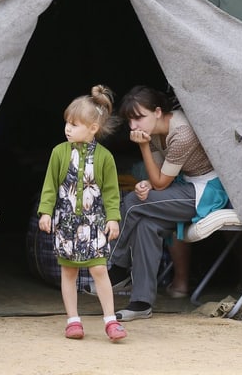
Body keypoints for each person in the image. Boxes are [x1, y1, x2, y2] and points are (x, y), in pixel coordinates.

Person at [95, 85, 229, 321]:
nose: (134, 126)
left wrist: (144, 148)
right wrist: (146, 182)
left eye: (139, 118)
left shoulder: (182, 134)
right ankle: (141, 303)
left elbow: (161, 184)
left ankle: (116, 267)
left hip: (207, 190)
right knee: (146, 223)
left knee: (133, 202)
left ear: (157, 112)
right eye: (130, 121)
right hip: (184, 185)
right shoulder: (156, 131)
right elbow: (157, 178)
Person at [37, 84, 127, 341]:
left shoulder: (105, 157)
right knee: (68, 271)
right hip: (65, 223)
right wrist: (45, 212)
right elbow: (50, 187)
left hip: (94, 223)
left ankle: (110, 320)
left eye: (74, 124)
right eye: (67, 122)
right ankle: (73, 320)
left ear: (93, 129)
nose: (68, 128)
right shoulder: (58, 153)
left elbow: (112, 192)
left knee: (99, 269)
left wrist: (113, 218)